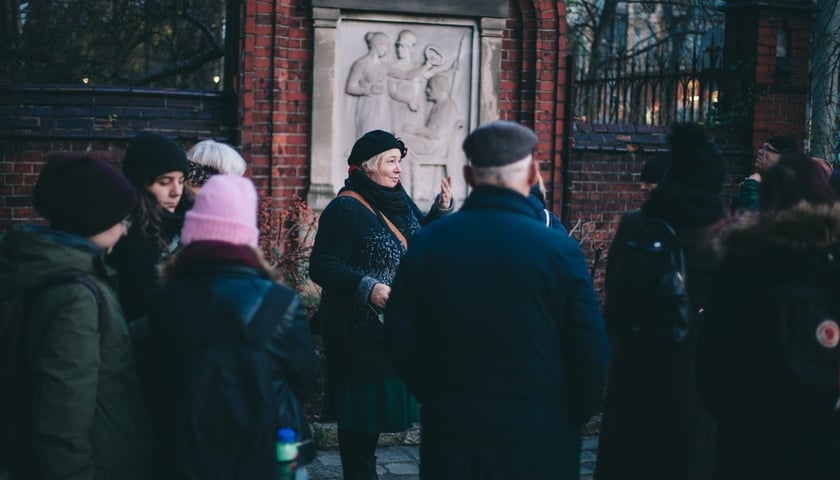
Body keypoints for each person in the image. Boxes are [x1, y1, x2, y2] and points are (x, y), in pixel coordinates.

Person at [384, 120, 609, 479]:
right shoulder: (558, 249)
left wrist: (431, 391)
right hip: (538, 434)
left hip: (454, 429)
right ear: (532, 174)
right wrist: (571, 415)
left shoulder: (430, 243)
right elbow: (589, 346)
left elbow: (399, 332)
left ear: (468, 176)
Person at [142, 174, 317, 479]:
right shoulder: (279, 302)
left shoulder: (163, 301)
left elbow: (153, 381)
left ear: (193, 232)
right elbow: (303, 379)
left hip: (185, 455)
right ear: (247, 235)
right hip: (270, 450)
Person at [308, 129, 453, 480]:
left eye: (399, 161)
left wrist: (440, 210)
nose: (398, 168)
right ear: (370, 166)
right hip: (355, 335)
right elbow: (323, 265)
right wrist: (369, 288)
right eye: (391, 162)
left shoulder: (397, 200)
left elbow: (416, 239)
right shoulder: (345, 209)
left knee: (371, 422)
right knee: (359, 420)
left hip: (389, 333)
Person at [0, 154, 152, 479]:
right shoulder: (75, 294)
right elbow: (62, 413)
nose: (125, 230)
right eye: (121, 219)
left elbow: (102, 350)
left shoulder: (50, 270)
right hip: (97, 463)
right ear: (94, 219)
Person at [596, 123, 727, 480]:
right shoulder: (723, 236)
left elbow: (615, 294)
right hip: (694, 379)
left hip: (636, 368)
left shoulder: (636, 224)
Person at [697, 153, 840, 480]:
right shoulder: (830, 263)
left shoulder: (739, 261)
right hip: (823, 444)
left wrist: (735, 417)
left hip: (748, 443)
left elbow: (710, 368)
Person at [108, 131, 194, 322]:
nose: (177, 191)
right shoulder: (128, 239)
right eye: (164, 182)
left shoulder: (190, 223)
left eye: (181, 181)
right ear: (141, 184)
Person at [731, 135, 799, 212]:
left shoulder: (788, 190)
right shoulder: (756, 184)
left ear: (783, 157)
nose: (760, 152)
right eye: (762, 148)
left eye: (767, 149)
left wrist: (751, 187)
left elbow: (757, 215)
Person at [346, 32, 392, 138]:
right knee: (367, 135)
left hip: (383, 106)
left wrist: (426, 66)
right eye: (385, 46)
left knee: (384, 138)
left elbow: (404, 75)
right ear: (377, 45)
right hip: (368, 105)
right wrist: (369, 89)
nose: (386, 50)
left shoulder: (383, 65)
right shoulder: (361, 63)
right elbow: (350, 87)